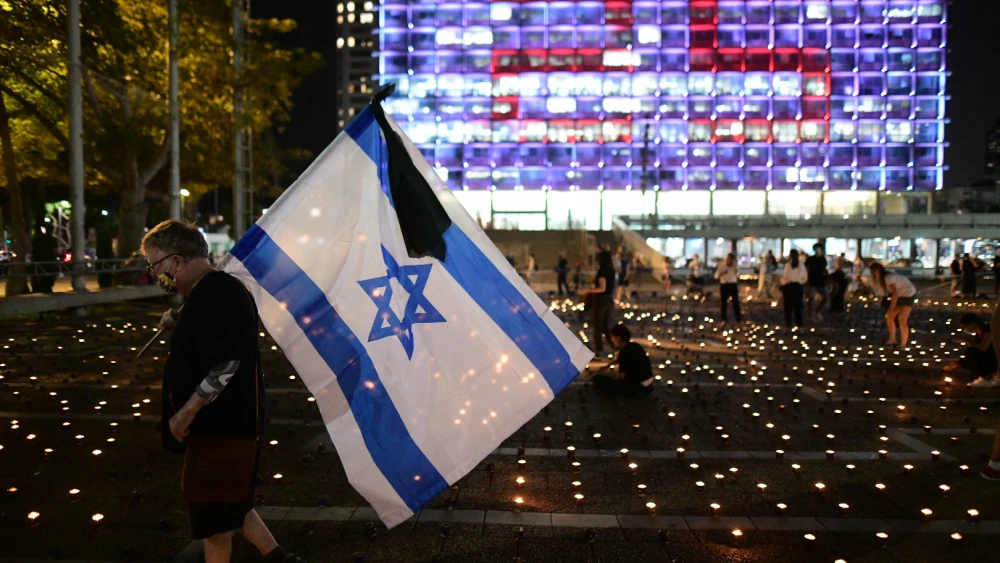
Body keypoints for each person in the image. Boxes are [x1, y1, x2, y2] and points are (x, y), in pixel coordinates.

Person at [142, 220, 302, 563]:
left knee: (213, 526)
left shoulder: (214, 293)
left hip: (222, 430)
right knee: (232, 506)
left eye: (156, 265)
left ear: (176, 261)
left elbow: (226, 363)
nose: (157, 274)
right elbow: (219, 341)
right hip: (227, 428)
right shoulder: (210, 292)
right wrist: (182, 324)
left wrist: (186, 412)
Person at [591, 324, 654, 396]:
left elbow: (621, 377)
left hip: (637, 388)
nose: (611, 339)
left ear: (618, 338)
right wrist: (606, 367)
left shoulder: (624, 352)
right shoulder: (636, 346)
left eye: (612, 336)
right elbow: (620, 360)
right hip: (649, 386)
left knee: (597, 379)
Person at [870, 262, 916, 348]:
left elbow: (895, 293)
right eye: (872, 271)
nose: (873, 273)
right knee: (889, 316)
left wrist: (891, 308)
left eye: (874, 271)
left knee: (902, 319)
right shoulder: (883, 278)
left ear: (879, 270)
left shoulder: (888, 277)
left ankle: (903, 345)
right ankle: (892, 339)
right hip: (900, 295)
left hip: (908, 295)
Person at [944, 313, 998, 386]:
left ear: (973, 323)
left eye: (965, 327)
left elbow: (982, 348)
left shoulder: (988, 329)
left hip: (994, 358)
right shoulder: (978, 333)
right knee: (969, 352)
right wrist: (958, 363)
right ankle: (983, 376)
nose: (964, 329)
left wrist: (966, 340)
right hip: (987, 358)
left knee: (971, 351)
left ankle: (989, 375)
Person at [579, 250, 616, 353]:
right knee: (605, 326)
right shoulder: (612, 271)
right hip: (609, 301)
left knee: (598, 327)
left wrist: (587, 290)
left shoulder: (602, 272)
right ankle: (614, 346)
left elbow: (602, 288)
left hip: (601, 301)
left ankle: (599, 350)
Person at [780, 249, 808, 328]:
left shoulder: (788, 265)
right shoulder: (801, 265)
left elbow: (785, 277)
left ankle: (788, 326)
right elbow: (805, 278)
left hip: (788, 287)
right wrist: (800, 283)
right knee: (798, 308)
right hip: (798, 287)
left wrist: (782, 282)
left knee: (788, 308)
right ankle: (799, 327)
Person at [805, 243, 829, 321]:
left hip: (821, 281)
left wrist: (827, 277)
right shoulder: (810, 259)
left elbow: (825, 269)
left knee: (825, 298)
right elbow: (807, 270)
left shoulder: (823, 259)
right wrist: (807, 280)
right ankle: (810, 314)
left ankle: (817, 311)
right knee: (811, 299)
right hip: (812, 280)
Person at [715, 252, 741, 324]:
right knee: (724, 303)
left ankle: (738, 319)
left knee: (735, 302)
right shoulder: (722, 265)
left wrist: (736, 271)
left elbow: (738, 275)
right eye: (727, 258)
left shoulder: (735, 265)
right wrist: (722, 273)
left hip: (733, 285)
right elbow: (716, 276)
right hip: (724, 285)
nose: (728, 260)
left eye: (730, 259)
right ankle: (724, 319)